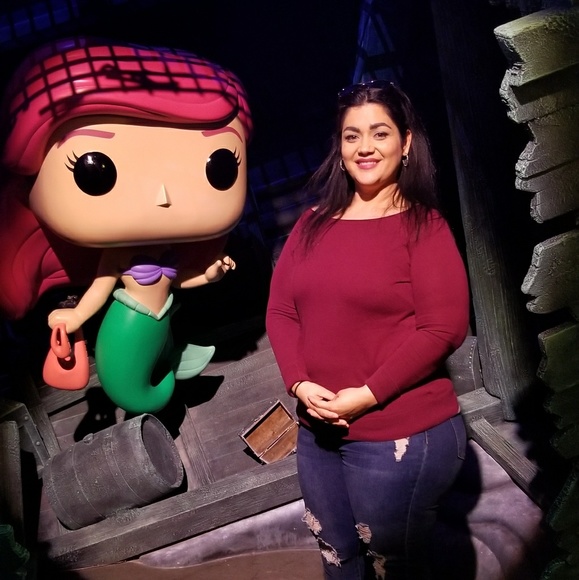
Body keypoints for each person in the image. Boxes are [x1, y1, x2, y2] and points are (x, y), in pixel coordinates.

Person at [265, 80, 470, 579]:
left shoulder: (423, 227)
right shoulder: (312, 224)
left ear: (406, 142)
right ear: (339, 148)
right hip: (317, 431)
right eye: (352, 135)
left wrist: (367, 395)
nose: (365, 147)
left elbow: (444, 328)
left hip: (398, 433)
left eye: (380, 133)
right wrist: (299, 383)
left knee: (393, 568)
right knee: (337, 558)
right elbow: (281, 311)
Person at [0, 37, 252, 413]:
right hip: (129, 320)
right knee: (127, 383)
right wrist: (76, 316)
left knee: (159, 365)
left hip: (161, 317)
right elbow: (100, 289)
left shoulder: (167, 252)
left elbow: (180, 279)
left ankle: (168, 371)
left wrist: (211, 273)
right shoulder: (119, 257)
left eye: (221, 165)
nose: (163, 195)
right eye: (94, 169)